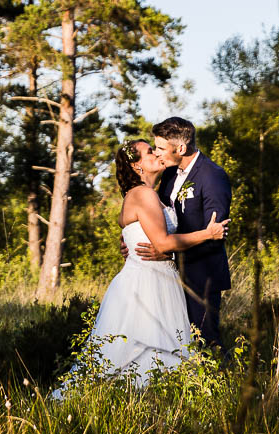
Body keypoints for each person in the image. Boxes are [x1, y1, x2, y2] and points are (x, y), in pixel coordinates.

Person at [72, 140, 227, 387]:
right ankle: (142, 398)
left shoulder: (153, 193)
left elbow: (143, 237)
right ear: (137, 166)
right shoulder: (143, 194)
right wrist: (208, 234)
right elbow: (163, 243)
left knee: (150, 348)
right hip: (147, 282)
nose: (156, 154)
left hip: (159, 277)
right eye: (149, 152)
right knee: (147, 346)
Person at [130, 117, 233, 353]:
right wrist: (136, 239)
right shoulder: (169, 174)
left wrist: (168, 251)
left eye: (161, 148)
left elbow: (213, 235)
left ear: (182, 148)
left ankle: (227, 385)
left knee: (205, 341)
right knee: (178, 342)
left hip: (201, 274)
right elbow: (160, 218)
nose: (157, 154)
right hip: (169, 277)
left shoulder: (212, 176)